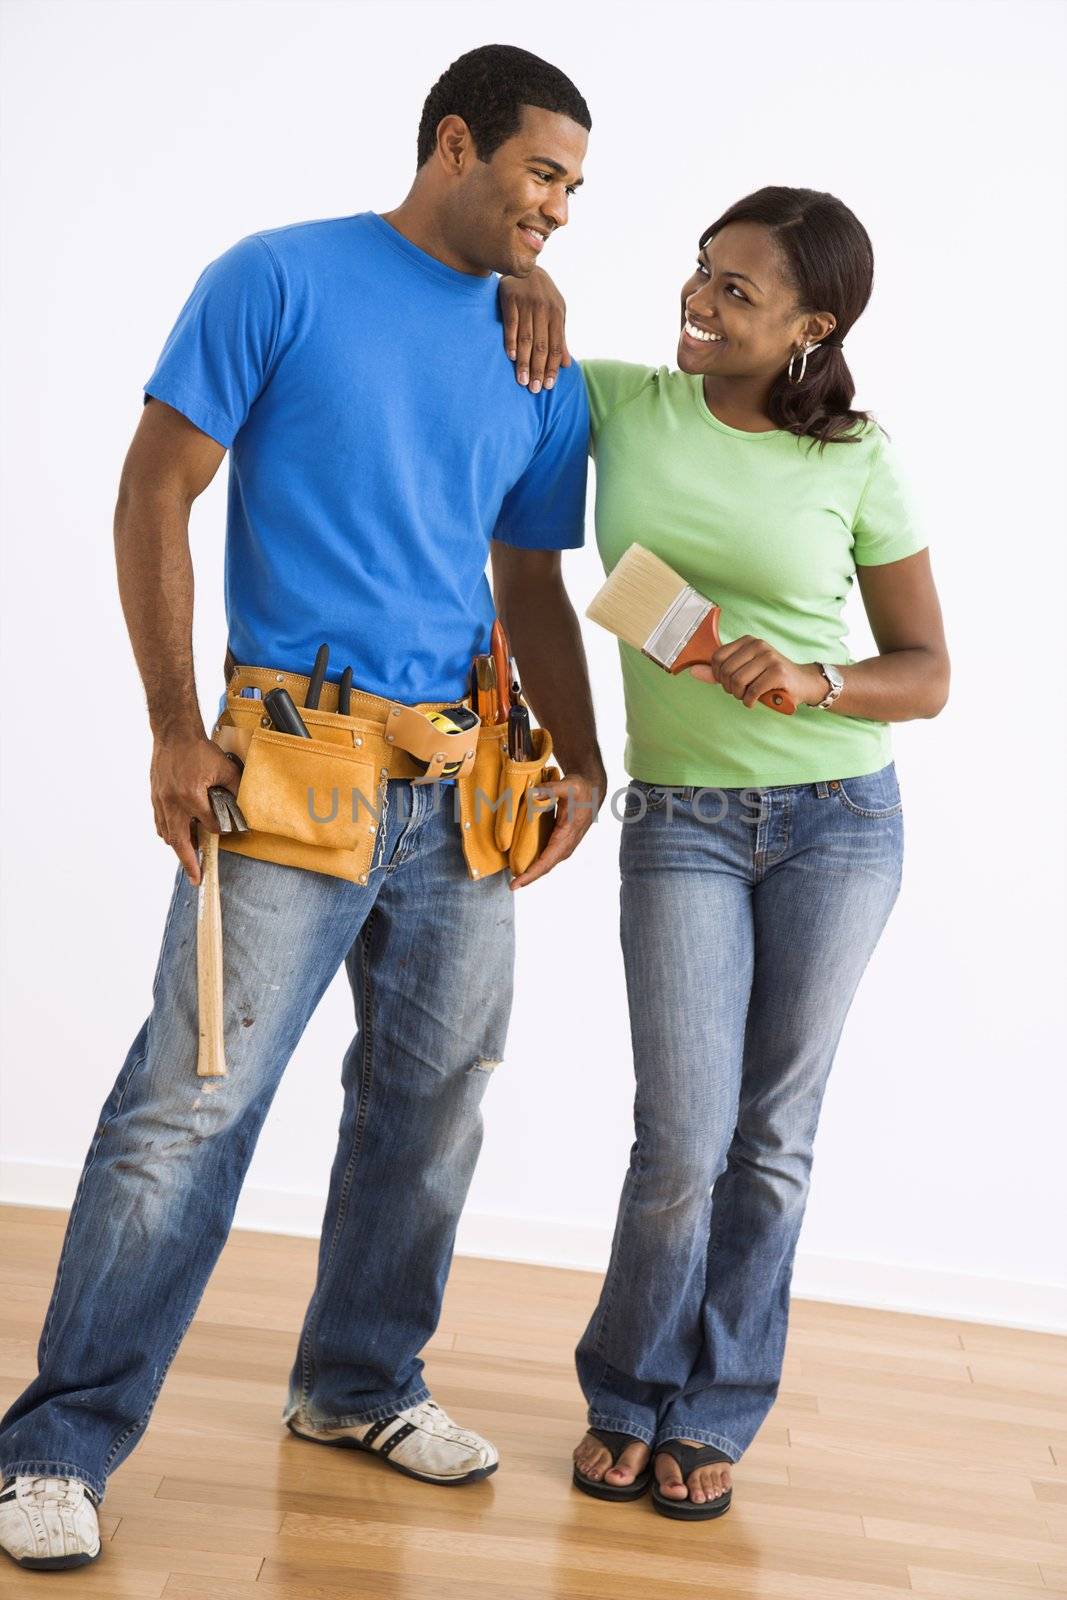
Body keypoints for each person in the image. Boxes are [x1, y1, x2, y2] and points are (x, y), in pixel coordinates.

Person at [0, 45, 607, 1572]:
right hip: (287, 770)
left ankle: (356, 1386)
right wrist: (167, 729)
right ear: (455, 144)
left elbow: (528, 576)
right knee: (186, 1109)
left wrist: (581, 759)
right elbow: (156, 488)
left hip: (462, 789)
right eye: (542, 176)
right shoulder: (276, 277)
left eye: (575, 192)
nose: (559, 211)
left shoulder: (544, 357)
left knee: (432, 1106)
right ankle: (55, 1446)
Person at [501, 186, 950, 1520]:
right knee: (681, 1139)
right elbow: (490, 349)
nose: (700, 300)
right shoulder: (625, 402)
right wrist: (531, 288)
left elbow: (928, 676)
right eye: (702, 273)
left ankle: (715, 1409)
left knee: (771, 1142)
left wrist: (818, 680)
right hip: (683, 818)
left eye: (737, 291)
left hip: (841, 826)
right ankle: (627, 1393)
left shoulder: (859, 458)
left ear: (813, 326)